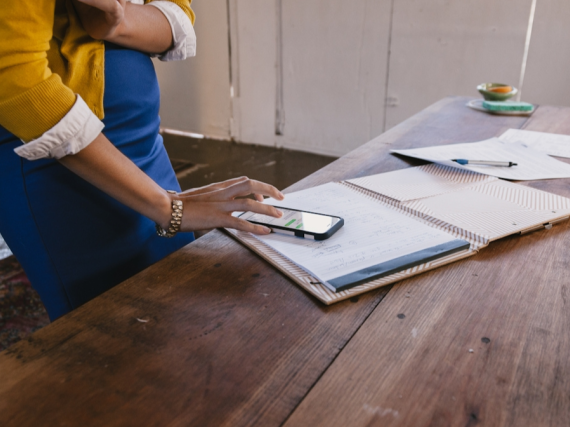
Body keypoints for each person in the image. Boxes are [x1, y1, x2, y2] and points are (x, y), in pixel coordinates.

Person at [0, 0, 284, 320]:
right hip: (55, 164)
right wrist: (166, 207)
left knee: (179, 311)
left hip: (145, 148)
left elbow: (176, 16)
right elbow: (13, 74)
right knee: (110, 334)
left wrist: (117, 23)